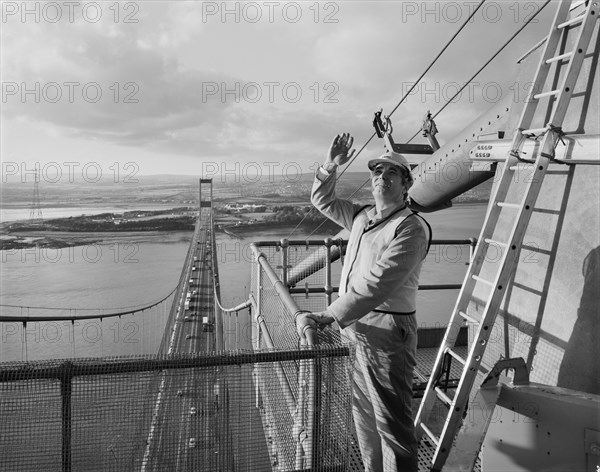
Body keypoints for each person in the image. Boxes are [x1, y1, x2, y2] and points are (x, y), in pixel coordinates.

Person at [296, 133, 431, 472]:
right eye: (376, 173)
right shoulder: (360, 217)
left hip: (388, 331)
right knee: (364, 417)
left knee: (392, 423)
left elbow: (378, 284)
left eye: (391, 174)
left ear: (406, 185)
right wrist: (331, 165)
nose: (381, 178)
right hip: (355, 328)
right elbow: (321, 200)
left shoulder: (411, 228)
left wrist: (329, 314)